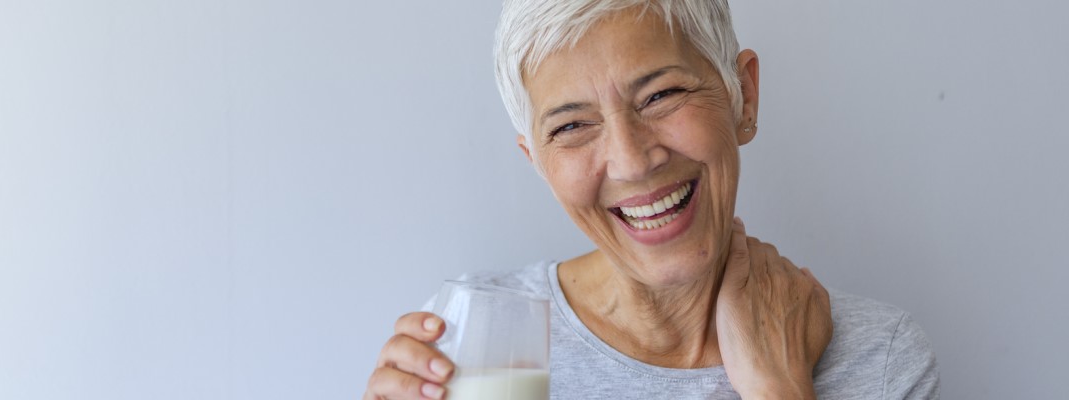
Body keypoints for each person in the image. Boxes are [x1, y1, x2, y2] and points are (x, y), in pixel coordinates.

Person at [362, 0, 939, 399]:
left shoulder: (877, 359)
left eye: (662, 94)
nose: (633, 160)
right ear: (536, 162)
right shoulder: (475, 343)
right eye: (570, 127)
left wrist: (778, 390)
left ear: (745, 96)